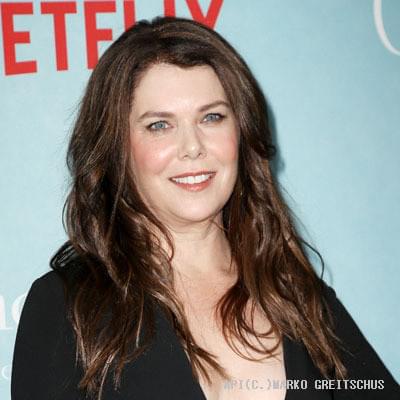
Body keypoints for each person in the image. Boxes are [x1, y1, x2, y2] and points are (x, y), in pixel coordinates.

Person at [11, 15, 400, 400]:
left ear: (242, 131)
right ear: (117, 149)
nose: (193, 147)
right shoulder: (67, 307)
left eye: (212, 117)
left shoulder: (295, 293)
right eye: (159, 125)